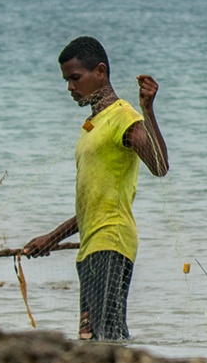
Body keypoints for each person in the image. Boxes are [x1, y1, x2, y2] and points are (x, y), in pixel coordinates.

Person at [22, 37, 169, 340]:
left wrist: (147, 109)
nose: (70, 88)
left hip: (112, 242)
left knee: (110, 336)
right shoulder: (92, 126)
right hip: (89, 247)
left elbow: (159, 166)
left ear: (100, 72)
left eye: (75, 78)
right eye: (66, 80)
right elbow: (93, 204)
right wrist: (52, 238)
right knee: (90, 340)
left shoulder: (123, 117)